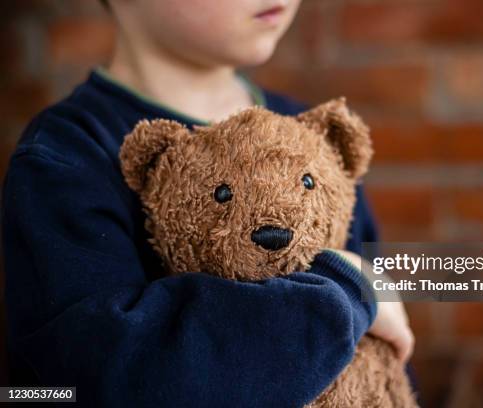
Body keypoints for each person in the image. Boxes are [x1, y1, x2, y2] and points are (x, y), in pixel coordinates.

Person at [1, 0, 414, 406]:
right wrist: (345, 289)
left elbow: (387, 355)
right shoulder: (65, 158)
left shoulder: (308, 133)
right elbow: (101, 374)